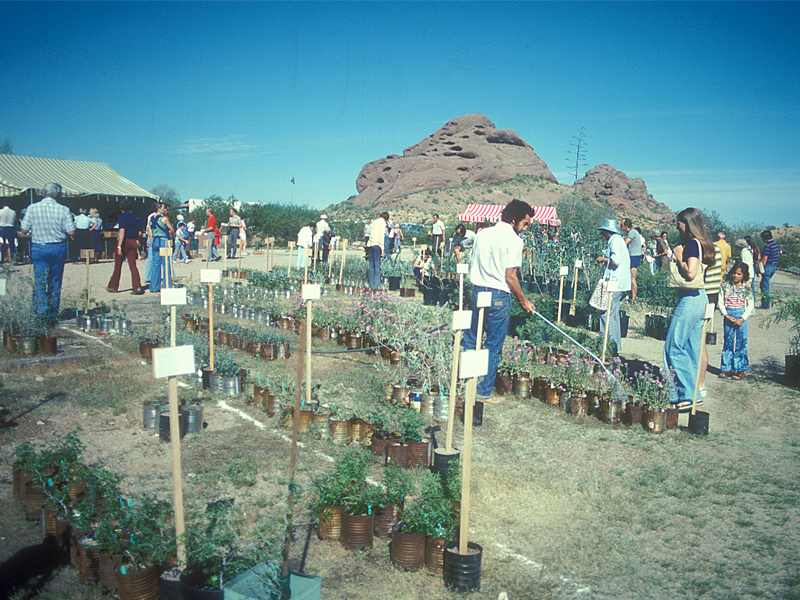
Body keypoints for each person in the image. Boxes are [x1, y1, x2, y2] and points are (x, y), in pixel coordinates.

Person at [462, 200, 536, 404]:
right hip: (498, 297)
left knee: (470, 341)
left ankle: (465, 386)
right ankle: (483, 393)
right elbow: (510, 276)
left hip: (477, 293)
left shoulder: (483, 233)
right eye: (525, 223)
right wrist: (523, 301)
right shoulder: (514, 240)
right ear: (514, 220)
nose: (526, 228)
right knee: (493, 346)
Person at [663, 207, 716, 411]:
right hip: (699, 298)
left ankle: (685, 393)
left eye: (679, 222)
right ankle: (694, 393)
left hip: (691, 298)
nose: (677, 226)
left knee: (673, 346)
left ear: (689, 223)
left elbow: (691, 274)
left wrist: (678, 257)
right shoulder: (698, 243)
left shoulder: (692, 244)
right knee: (693, 348)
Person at [19, 183, 76, 324]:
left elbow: (24, 230)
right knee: (55, 281)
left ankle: (40, 313)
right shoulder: (64, 209)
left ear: (43, 193)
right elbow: (71, 231)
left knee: (40, 281)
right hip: (58, 247)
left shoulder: (32, 208)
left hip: (39, 247)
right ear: (57, 194)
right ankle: (52, 313)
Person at [596, 219, 631, 356]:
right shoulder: (619, 240)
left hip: (614, 283)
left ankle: (606, 346)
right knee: (613, 314)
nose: (602, 236)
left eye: (603, 233)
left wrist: (603, 259)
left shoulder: (615, 241)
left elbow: (615, 262)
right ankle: (614, 346)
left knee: (606, 313)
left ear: (607, 232)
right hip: (619, 284)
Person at [718, 261, 754, 380]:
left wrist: (743, 318)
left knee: (741, 342)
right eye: (734, 273)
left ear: (744, 275)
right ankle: (726, 368)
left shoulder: (747, 288)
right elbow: (720, 302)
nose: (736, 276)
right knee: (728, 341)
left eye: (739, 274)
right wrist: (726, 315)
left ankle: (740, 369)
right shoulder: (725, 286)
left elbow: (750, 305)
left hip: (741, 316)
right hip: (729, 315)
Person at [698, 239, 723, 400]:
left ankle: (698, 384)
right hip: (712, 293)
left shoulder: (699, 247)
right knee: (701, 339)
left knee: (698, 340)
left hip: (702, 293)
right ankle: (701, 384)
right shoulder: (716, 248)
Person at [106, 199, 144, 295]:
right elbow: (139, 232)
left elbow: (122, 231)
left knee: (118, 265)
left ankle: (113, 286)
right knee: (132, 264)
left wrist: (119, 246)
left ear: (121, 208)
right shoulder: (136, 218)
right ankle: (137, 286)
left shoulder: (122, 217)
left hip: (124, 241)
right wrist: (136, 239)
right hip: (133, 240)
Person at [147, 203, 174, 292]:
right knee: (166, 263)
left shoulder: (151, 219)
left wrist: (151, 243)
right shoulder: (164, 219)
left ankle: (154, 286)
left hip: (154, 240)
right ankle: (167, 285)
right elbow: (172, 230)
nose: (165, 210)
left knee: (155, 264)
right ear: (159, 209)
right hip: (163, 240)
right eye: (163, 208)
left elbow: (150, 232)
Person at [621, 218, 642, 302]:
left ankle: (633, 299)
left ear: (626, 226)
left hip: (634, 256)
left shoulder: (632, 232)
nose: (620, 227)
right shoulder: (631, 232)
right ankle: (630, 296)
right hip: (633, 256)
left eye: (621, 225)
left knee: (632, 278)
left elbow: (624, 244)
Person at [366, 212, 389, 289]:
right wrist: (383, 249)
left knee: (371, 266)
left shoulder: (374, 222)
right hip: (376, 244)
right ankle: (377, 285)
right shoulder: (382, 223)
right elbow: (380, 236)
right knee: (377, 265)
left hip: (370, 244)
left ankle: (371, 285)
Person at [760, 230, 779, 309]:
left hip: (767, 266)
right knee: (763, 284)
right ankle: (765, 303)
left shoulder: (767, 246)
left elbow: (764, 258)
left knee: (765, 286)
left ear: (766, 238)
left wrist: (761, 268)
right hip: (773, 266)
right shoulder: (775, 244)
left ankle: (766, 304)